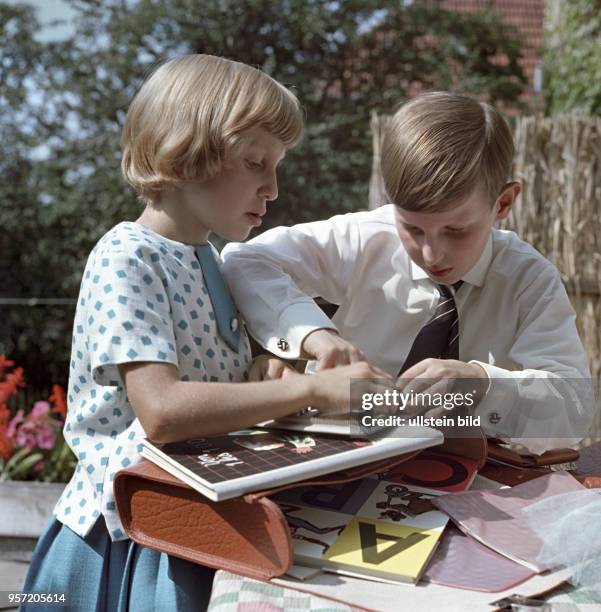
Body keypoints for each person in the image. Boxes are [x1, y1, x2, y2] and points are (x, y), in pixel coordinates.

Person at [21, 54, 389, 611]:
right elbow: (163, 410)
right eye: (255, 161)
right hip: (129, 535)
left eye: (277, 165)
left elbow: (217, 381)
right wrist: (314, 391)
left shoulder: (209, 259)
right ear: (186, 153)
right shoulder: (126, 257)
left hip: (198, 518)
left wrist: (266, 373)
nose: (273, 186)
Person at [222, 91, 595, 454]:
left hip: (470, 481)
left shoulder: (528, 279)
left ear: (503, 203)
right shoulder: (365, 239)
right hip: (337, 459)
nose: (432, 254)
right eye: (413, 229)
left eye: (456, 230)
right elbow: (244, 260)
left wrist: (481, 384)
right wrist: (315, 335)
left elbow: (574, 411)